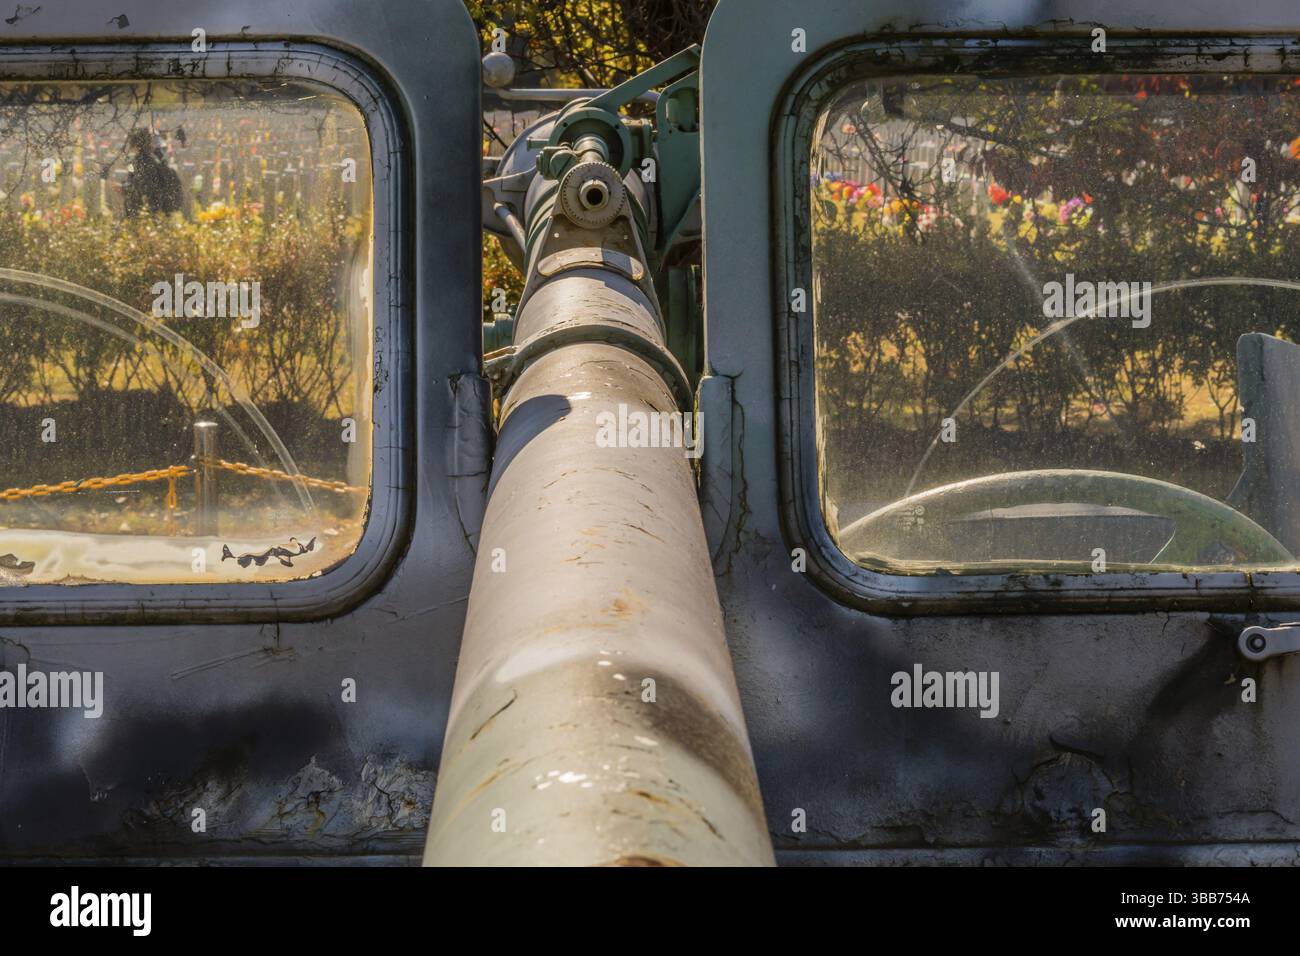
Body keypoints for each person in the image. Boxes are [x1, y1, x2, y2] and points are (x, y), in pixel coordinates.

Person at [123, 128, 183, 217]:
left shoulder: (142, 161)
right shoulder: (155, 156)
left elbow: (143, 186)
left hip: (150, 209)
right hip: (160, 206)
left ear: (135, 143)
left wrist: (124, 188)